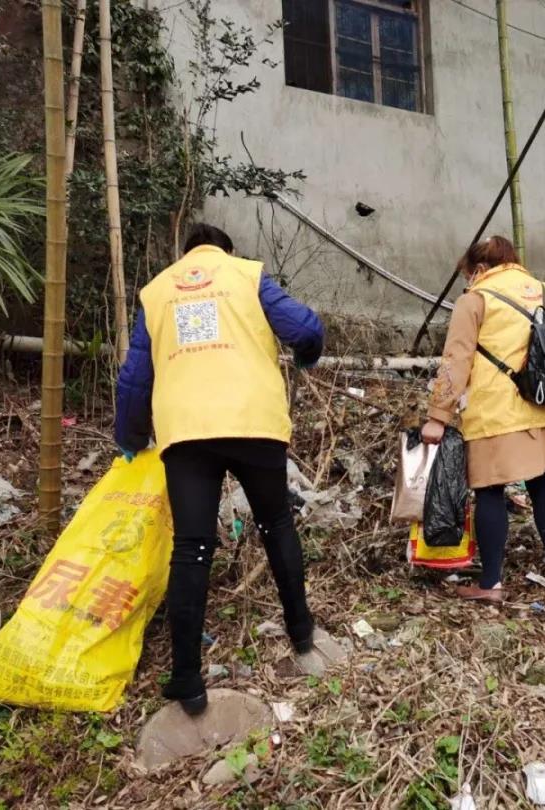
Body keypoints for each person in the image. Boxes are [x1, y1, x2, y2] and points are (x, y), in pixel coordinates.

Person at [115, 223, 326, 715]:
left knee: (192, 547)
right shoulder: (246, 275)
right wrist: (305, 359)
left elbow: (135, 376)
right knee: (276, 524)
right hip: (254, 422)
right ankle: (301, 632)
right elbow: (307, 328)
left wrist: (130, 437)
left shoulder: (157, 289)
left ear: (185, 253)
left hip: (187, 433)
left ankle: (187, 678)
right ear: (224, 249)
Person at [420, 236, 545, 603]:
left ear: (480, 268)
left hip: (500, 410)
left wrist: (438, 416)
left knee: (490, 491)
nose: (468, 280)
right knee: (544, 487)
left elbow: (456, 359)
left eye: (469, 273)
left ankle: (491, 584)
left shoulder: (475, 299)